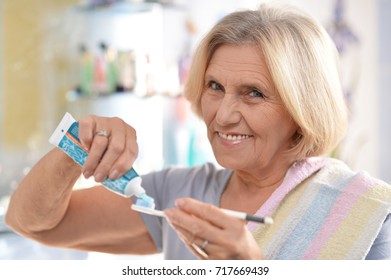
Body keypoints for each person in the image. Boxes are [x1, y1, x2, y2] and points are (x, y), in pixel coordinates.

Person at [5, 3, 391, 260]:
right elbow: (32, 222)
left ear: (301, 107)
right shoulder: (178, 195)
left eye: (253, 94)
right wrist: (78, 145)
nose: (222, 116)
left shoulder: (369, 212)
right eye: (214, 87)